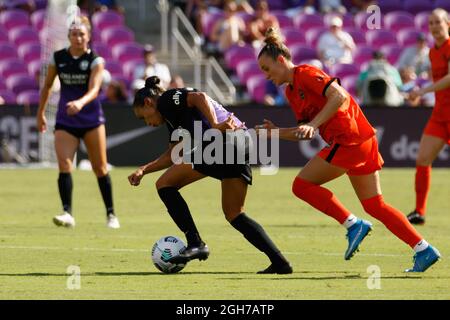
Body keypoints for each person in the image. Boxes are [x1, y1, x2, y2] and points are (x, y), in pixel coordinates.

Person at [255, 27, 440, 272]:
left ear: (281, 60)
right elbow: (304, 132)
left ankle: (353, 224)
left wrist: (314, 124)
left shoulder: (306, 73)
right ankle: (423, 249)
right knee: (375, 205)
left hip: (349, 139)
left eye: (267, 69)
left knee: (301, 186)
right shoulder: (291, 92)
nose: (266, 76)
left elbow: (339, 96)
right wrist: (274, 132)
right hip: (361, 140)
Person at [127, 76, 292, 274]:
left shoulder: (166, 100)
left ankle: (195, 242)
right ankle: (280, 262)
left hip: (222, 143)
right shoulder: (172, 118)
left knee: (165, 184)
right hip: (239, 143)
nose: (148, 123)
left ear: (148, 102)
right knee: (235, 214)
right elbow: (174, 155)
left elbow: (199, 96)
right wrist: (144, 170)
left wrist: (214, 125)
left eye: (144, 117)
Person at [36, 16, 120, 229]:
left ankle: (111, 214)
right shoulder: (58, 58)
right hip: (67, 119)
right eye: (74, 34)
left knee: (100, 168)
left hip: (91, 119)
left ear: (88, 37)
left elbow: (94, 89)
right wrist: (41, 113)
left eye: (82, 34)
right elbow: (46, 87)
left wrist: (80, 103)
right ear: (69, 37)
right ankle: (67, 213)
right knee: (64, 165)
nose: (78, 38)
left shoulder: (96, 61)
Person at [407, 9, 450, 225]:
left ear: (447, 24)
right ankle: (419, 212)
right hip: (441, 114)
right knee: (423, 159)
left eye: (438, 22)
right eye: (431, 23)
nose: (434, 26)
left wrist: (422, 91)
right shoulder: (433, 52)